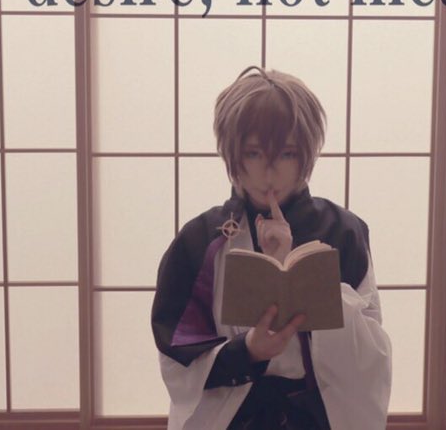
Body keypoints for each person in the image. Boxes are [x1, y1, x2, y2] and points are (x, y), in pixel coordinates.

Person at [151, 66, 392, 429]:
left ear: (307, 154)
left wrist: (303, 274)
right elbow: (176, 357)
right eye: (252, 153)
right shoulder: (199, 240)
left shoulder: (344, 231)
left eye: (287, 154)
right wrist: (247, 350)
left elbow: (372, 354)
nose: (269, 172)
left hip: (318, 415)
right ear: (232, 153)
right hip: (236, 416)